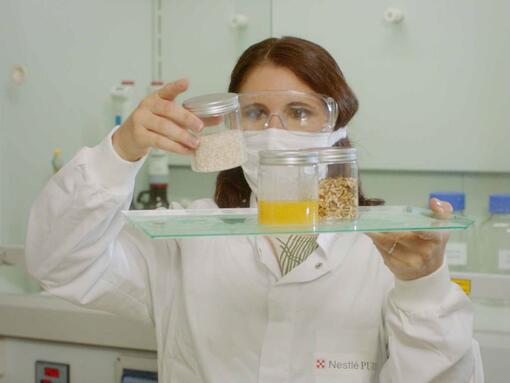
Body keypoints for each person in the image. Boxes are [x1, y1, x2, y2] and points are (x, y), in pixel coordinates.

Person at [25, 36, 483, 382]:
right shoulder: (185, 239)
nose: (275, 129)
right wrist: (120, 151)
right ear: (233, 126)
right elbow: (60, 262)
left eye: (300, 112)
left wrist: (423, 288)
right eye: (256, 112)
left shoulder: (384, 249)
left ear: (335, 127)